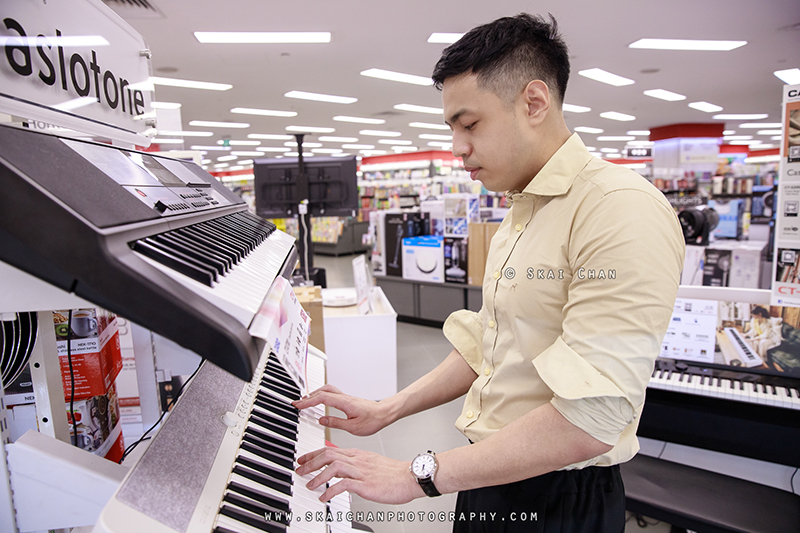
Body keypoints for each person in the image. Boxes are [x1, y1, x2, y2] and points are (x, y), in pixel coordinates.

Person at [293, 13, 684, 532]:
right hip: (489, 474)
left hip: (558, 498)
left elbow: (592, 421)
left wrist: (417, 475)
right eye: (451, 128)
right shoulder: (521, 212)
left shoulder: (619, 209)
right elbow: (490, 346)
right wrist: (388, 409)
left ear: (534, 103)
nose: (456, 148)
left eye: (469, 124)